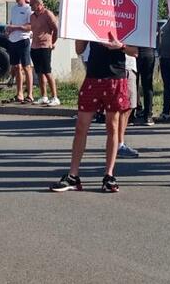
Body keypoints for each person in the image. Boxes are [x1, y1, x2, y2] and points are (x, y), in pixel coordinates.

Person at [50, 32, 137, 194]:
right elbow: (79, 49)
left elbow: (136, 51)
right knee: (81, 126)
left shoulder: (123, 21)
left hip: (116, 77)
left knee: (112, 127)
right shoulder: (92, 20)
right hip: (93, 76)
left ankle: (109, 175)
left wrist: (120, 46)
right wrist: (79, 30)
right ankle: (73, 176)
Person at [28, 0, 60, 106]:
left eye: (32, 4)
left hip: (45, 46)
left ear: (38, 4)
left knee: (47, 71)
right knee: (39, 72)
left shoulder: (48, 14)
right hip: (34, 47)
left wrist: (52, 42)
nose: (30, 5)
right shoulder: (32, 16)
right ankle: (44, 96)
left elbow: (56, 30)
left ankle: (55, 97)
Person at [5, 0, 34, 103]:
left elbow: (30, 27)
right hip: (13, 40)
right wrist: (8, 31)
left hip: (23, 39)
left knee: (27, 67)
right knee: (17, 67)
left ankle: (30, 94)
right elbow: (12, 23)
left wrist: (15, 27)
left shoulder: (29, 9)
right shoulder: (14, 8)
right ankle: (19, 93)